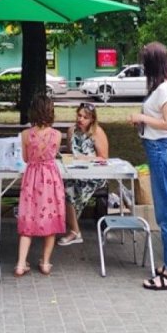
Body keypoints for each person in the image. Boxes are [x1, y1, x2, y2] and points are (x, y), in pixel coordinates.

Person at [130, 42, 167, 291]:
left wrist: (142, 117)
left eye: (145, 62)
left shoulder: (164, 90)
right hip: (163, 151)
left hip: (162, 151)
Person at [14, 94, 66, 276]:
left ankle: (21, 264)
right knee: (50, 218)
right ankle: (45, 262)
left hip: (32, 178)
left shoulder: (26, 134)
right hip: (51, 179)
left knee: (28, 217)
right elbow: (54, 154)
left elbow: (25, 158)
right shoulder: (57, 135)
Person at [58, 102, 109, 246]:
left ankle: (74, 232)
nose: (80, 119)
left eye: (85, 117)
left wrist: (85, 159)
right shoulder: (72, 131)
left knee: (67, 189)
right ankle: (71, 228)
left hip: (94, 175)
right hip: (74, 172)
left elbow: (104, 158)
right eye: (79, 115)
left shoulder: (97, 132)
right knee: (60, 185)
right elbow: (70, 152)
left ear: (92, 119)